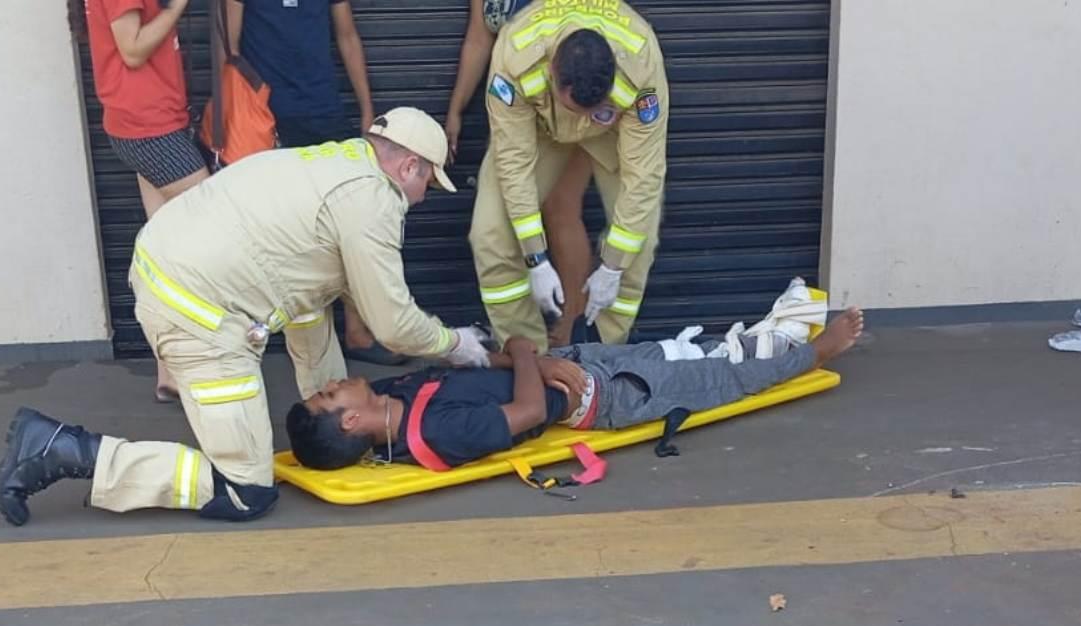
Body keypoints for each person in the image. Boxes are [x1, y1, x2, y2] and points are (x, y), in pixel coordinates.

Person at [0, 108, 492, 526]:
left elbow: (307, 311)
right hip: (198, 313)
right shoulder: (372, 201)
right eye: (429, 178)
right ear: (408, 166)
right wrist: (457, 345)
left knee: (260, 414)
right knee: (246, 488)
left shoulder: (332, 165)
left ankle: (67, 448)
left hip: (174, 275)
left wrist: (339, 414)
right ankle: (64, 450)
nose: (426, 194)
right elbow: (393, 324)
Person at [285, 309, 864, 471]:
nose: (333, 385)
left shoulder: (392, 394)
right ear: (351, 425)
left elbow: (473, 370)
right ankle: (816, 351)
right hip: (608, 398)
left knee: (684, 351)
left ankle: (774, 333)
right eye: (329, 398)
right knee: (721, 381)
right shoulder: (435, 432)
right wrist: (520, 351)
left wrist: (529, 355)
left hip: (569, 363)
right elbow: (530, 409)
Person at [469, 0, 668, 353]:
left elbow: (644, 175)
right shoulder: (516, 54)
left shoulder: (640, 58)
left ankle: (602, 353)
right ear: (552, 74)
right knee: (491, 233)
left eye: (594, 108)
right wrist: (536, 259)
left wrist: (613, 267)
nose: (586, 117)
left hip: (615, 131)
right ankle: (528, 356)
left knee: (639, 240)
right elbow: (513, 163)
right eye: (578, 107)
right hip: (541, 127)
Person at [225, 0, 395, 364]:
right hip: (268, 119)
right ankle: (290, 339)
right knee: (279, 233)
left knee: (342, 222)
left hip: (322, 111)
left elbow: (347, 36)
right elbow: (231, 50)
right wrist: (242, 115)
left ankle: (357, 331)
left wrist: (366, 107)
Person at [70, 0, 211, 401]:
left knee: (167, 253)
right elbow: (131, 49)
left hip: (149, 122)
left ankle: (169, 370)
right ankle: (196, 359)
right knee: (214, 226)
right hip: (149, 127)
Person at [445, 0, 594, 346]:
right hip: (513, 111)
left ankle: (571, 335)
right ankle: (524, 344)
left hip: (568, 110)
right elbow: (479, 39)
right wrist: (456, 108)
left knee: (560, 210)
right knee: (495, 228)